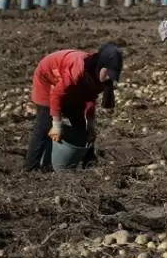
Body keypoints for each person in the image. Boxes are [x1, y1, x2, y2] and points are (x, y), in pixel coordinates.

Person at [24, 44, 122, 172]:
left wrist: (90, 124)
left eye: (113, 75)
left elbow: (90, 98)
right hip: (48, 78)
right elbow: (57, 95)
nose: (109, 77)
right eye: (108, 73)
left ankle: (89, 161)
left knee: (82, 127)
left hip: (71, 88)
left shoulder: (102, 79)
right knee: (44, 124)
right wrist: (57, 124)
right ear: (100, 65)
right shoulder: (78, 70)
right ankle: (31, 167)